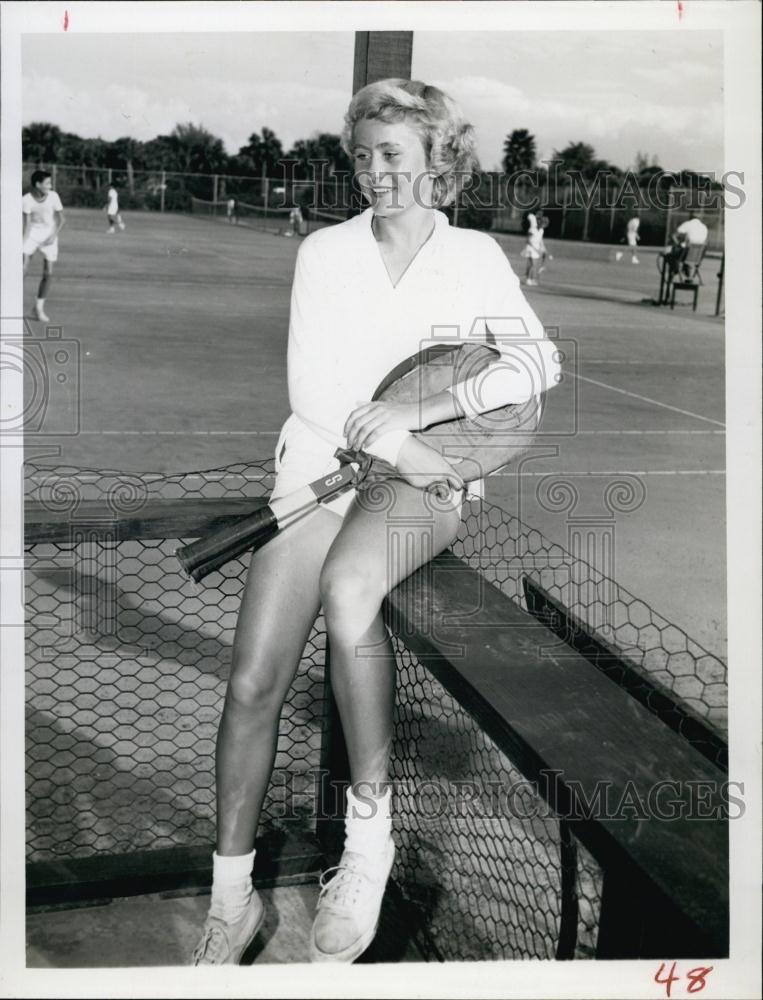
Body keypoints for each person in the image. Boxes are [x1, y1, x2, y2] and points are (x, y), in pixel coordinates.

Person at [190, 78, 561, 967]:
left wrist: (426, 419)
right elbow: (311, 396)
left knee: (351, 587)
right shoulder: (324, 252)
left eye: (392, 153)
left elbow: (535, 364)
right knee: (250, 683)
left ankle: (366, 847)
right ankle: (229, 902)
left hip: (414, 485)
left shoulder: (473, 256)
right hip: (319, 466)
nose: (373, 172)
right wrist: (406, 439)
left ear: (437, 158)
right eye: (360, 156)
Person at [22, 170, 65, 323]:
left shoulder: (54, 196)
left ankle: (38, 309)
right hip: (32, 234)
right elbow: (27, 224)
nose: (50, 185)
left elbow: (61, 219)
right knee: (21, 270)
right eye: (47, 183)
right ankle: (10, 304)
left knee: (48, 273)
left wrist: (53, 236)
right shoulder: (26, 199)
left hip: (49, 235)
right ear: (37, 184)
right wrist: (23, 242)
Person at [520, 210, 544, 285]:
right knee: (532, 264)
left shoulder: (541, 230)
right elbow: (527, 240)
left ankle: (528, 278)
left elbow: (540, 240)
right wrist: (535, 248)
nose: (541, 224)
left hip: (536, 249)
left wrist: (542, 248)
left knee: (532, 264)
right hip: (530, 248)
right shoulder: (532, 229)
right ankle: (529, 279)